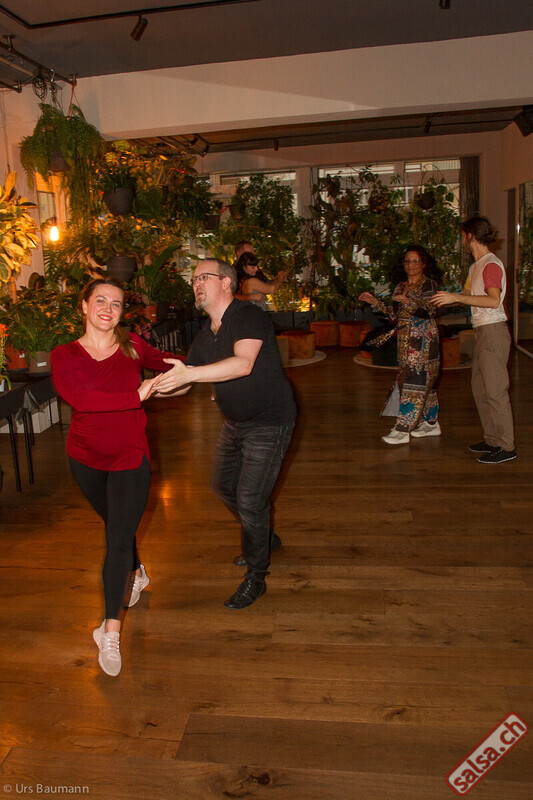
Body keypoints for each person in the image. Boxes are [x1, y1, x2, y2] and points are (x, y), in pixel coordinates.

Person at [51, 278, 181, 677]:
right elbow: (81, 400)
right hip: (85, 458)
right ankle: (137, 573)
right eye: (100, 301)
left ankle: (109, 630)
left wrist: (210, 362)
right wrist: (136, 396)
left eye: (117, 304)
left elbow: (169, 361)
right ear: (84, 306)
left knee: (117, 539)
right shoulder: (64, 355)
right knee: (117, 525)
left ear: (123, 312)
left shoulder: (132, 346)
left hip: (130, 457)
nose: (108, 309)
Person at [155, 258, 296, 609]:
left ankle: (256, 576)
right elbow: (185, 382)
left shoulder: (248, 316)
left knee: (250, 499)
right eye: (193, 280)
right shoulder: (206, 335)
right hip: (235, 423)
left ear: (226, 282)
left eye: (202, 277)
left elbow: (242, 363)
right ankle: (263, 536)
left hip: (270, 421)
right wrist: (150, 389)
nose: (195, 284)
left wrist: (188, 375)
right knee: (222, 486)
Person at [431, 216, 516, 463]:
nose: (463, 242)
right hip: (482, 332)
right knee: (480, 387)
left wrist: (456, 298)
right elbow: (468, 294)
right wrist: (442, 298)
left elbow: (493, 300)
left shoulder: (491, 264)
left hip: (493, 332)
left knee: (495, 391)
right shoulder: (475, 267)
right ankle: (493, 439)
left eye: (463, 237)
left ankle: (507, 447)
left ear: (469, 235)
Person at [359, 245, 442, 445]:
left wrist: (409, 302)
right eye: (407, 261)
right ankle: (431, 423)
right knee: (424, 382)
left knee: (414, 382)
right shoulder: (400, 286)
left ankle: (402, 430)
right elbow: (395, 314)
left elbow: (430, 310)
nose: (411, 264)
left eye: (415, 261)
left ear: (424, 264)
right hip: (406, 340)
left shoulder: (428, 284)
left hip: (423, 340)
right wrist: (376, 302)